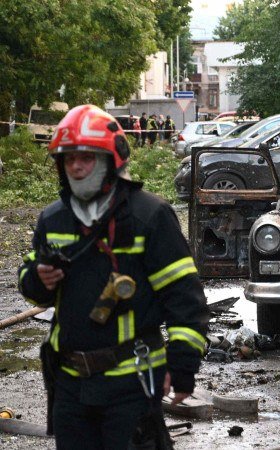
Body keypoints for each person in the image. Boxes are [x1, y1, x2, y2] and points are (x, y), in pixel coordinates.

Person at [17, 105, 209, 448]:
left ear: (111, 159)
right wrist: (36, 279)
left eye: (87, 156)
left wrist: (182, 369)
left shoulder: (149, 216)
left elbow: (185, 298)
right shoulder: (54, 219)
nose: (76, 166)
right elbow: (34, 288)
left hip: (131, 386)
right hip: (71, 385)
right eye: (68, 157)